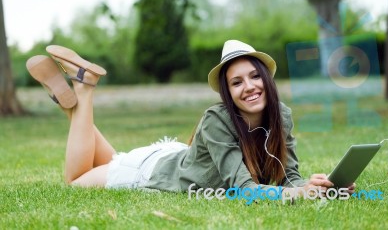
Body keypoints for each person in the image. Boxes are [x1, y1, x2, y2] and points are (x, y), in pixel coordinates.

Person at [26, 40, 355, 200]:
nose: (249, 87)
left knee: (101, 155)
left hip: (171, 158)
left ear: (266, 79)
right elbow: (243, 189)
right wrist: (295, 195)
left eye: (254, 77)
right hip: (149, 173)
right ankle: (83, 92)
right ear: (227, 92)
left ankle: (71, 107)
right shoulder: (218, 119)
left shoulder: (282, 116)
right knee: (75, 181)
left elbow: (288, 176)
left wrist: (316, 187)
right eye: (236, 82)